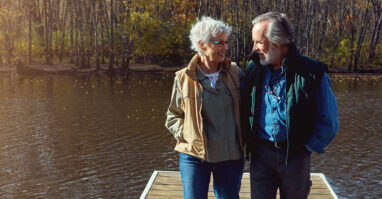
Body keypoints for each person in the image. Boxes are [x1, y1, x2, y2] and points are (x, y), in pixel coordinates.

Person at [241, 12, 339, 199]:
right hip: (260, 156)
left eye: (258, 42)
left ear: (277, 41)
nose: (254, 48)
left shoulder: (312, 72)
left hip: (296, 156)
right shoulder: (253, 69)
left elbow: (329, 121)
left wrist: (307, 148)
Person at [165, 16, 244, 199]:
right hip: (194, 157)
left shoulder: (234, 72)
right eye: (219, 43)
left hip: (230, 156)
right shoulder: (184, 77)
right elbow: (173, 115)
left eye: (226, 42)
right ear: (202, 45)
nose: (225, 47)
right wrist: (187, 134)